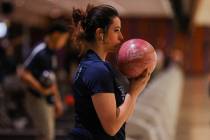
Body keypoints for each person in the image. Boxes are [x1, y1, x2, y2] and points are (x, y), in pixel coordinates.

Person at [68, 5, 151, 140]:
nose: (121, 36)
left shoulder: (96, 65)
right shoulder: (97, 70)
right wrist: (133, 92)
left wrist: (133, 93)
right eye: (116, 30)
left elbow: (122, 117)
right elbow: (111, 127)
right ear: (100, 34)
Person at [18, 22, 69, 140]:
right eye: (64, 38)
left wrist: (57, 101)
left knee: (47, 134)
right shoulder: (40, 50)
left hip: (46, 99)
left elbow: (52, 79)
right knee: (46, 135)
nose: (64, 43)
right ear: (56, 35)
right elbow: (23, 73)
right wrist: (41, 89)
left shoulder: (52, 54)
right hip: (36, 98)